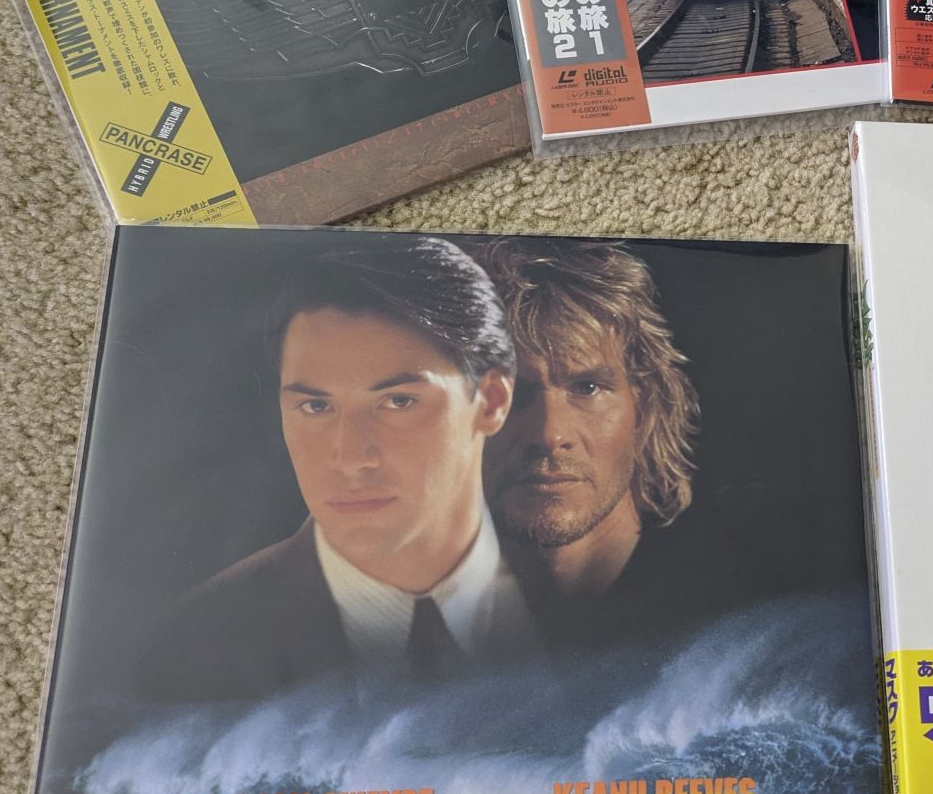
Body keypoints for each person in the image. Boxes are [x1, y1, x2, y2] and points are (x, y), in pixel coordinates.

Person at [151, 236, 531, 701]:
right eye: (316, 406)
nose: (351, 457)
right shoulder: (192, 647)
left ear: (491, 401)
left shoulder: (592, 595)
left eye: (398, 401)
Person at [472, 239, 706, 646]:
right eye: (512, 395)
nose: (550, 435)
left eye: (588, 387)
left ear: (644, 405)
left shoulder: (752, 610)